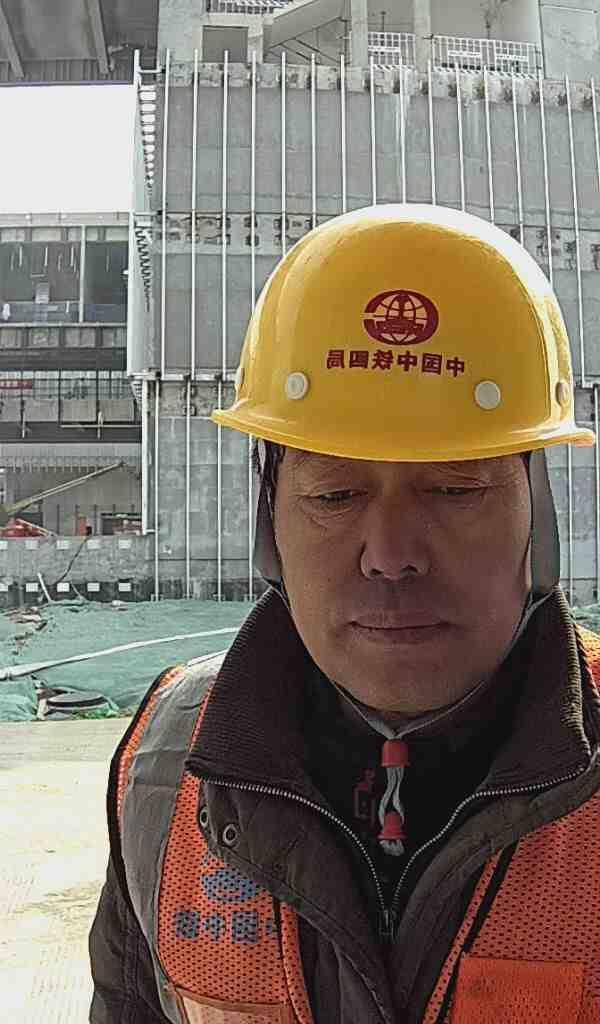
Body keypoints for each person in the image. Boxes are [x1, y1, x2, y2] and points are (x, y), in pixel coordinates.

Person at [89, 205, 600, 1024]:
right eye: (335, 494)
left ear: (535, 515)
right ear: (271, 524)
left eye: (455, 489)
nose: (391, 554)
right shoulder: (166, 765)